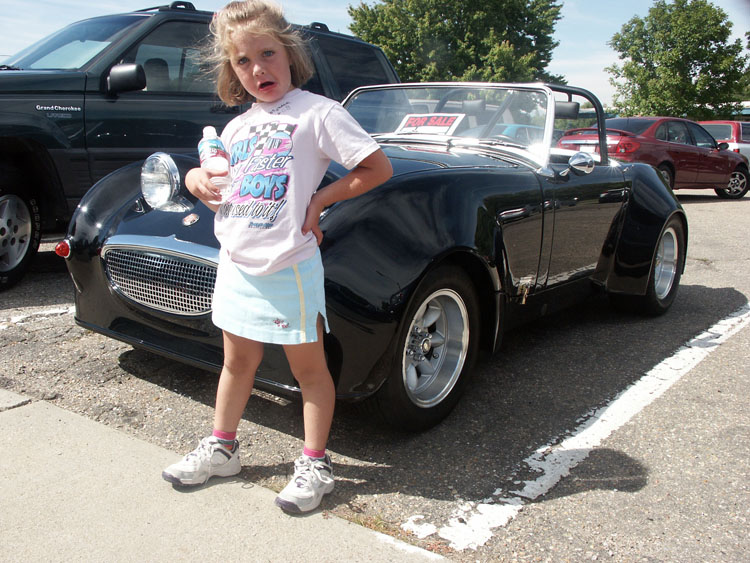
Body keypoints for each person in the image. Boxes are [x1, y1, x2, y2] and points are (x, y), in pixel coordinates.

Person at [161, 0, 392, 514]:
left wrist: (321, 200)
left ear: (289, 53)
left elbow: (376, 168)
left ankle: (314, 464)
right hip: (237, 261)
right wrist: (197, 180)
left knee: (308, 372)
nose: (257, 69)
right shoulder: (239, 126)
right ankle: (223, 448)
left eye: (267, 54)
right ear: (231, 69)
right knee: (237, 362)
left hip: (289, 265)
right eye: (242, 61)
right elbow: (224, 178)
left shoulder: (320, 112)